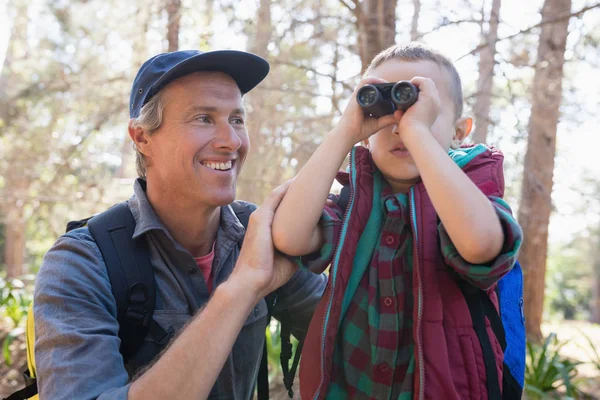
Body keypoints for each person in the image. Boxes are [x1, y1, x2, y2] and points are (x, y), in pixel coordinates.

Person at [33, 49, 326, 400]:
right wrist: (242, 288)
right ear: (142, 138)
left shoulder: (261, 233)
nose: (231, 141)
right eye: (203, 118)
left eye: (236, 119)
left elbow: (353, 336)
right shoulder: (81, 263)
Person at [272, 42, 523, 400]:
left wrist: (417, 135)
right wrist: (344, 132)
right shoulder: (355, 203)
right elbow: (289, 236)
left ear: (460, 131)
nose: (400, 126)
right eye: (386, 110)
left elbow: (481, 245)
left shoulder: (473, 196)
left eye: (424, 112)